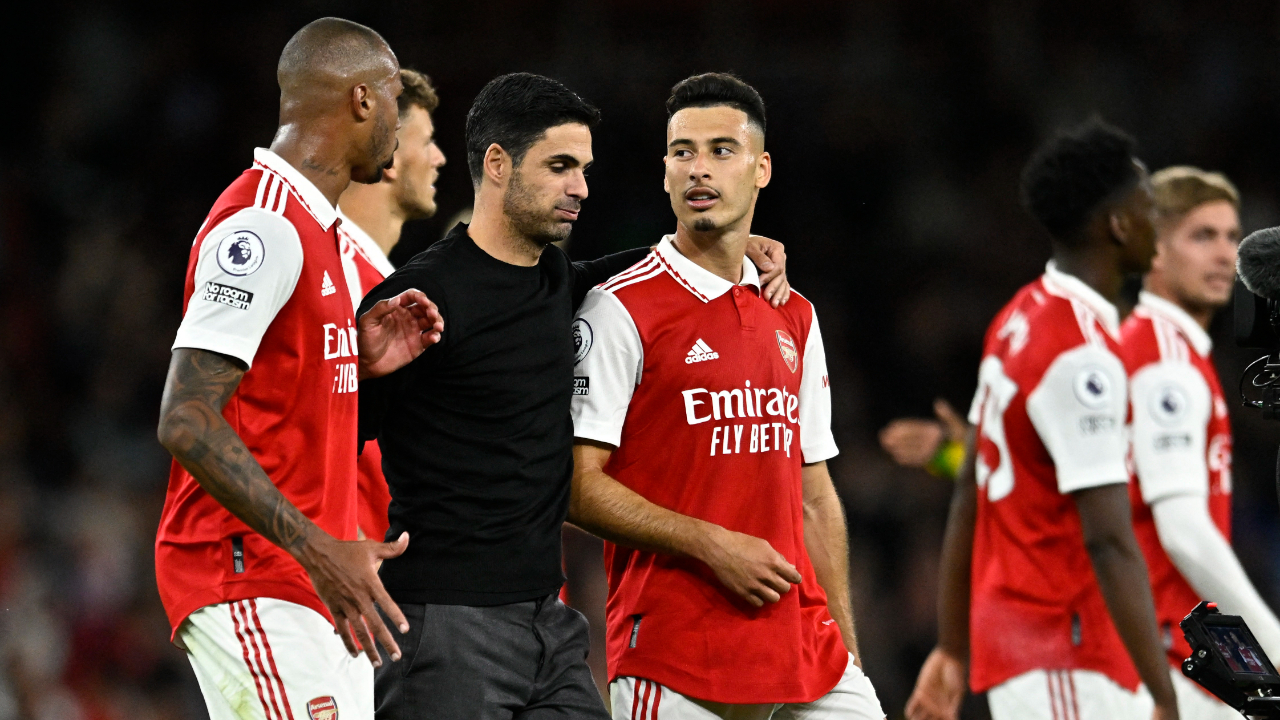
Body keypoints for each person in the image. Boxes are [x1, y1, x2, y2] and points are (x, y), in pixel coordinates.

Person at [357, 72, 790, 719]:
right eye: (561, 166)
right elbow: (331, 433)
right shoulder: (423, 300)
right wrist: (366, 375)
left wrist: (724, 245)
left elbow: (637, 271)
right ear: (498, 165)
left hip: (547, 627)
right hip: (445, 623)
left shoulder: (556, 279)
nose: (581, 188)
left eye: (583, 169)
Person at [154, 18, 445, 720]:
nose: (401, 137)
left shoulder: (321, 231)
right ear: (361, 101)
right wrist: (317, 548)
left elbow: (275, 401)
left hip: (316, 589)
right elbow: (186, 417)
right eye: (390, 106)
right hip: (250, 573)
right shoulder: (262, 225)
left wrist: (355, 362)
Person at [568, 72, 884, 720]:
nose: (698, 169)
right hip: (676, 652)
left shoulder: (794, 313)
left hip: (804, 645)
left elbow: (815, 495)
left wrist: (848, 651)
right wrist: (712, 543)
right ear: (663, 172)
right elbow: (575, 486)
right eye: (682, 152)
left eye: (721, 150)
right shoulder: (619, 310)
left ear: (761, 168)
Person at [906, 118, 1178, 720]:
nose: (1158, 222)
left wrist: (953, 651)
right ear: (1115, 224)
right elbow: (1107, 540)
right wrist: (1165, 694)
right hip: (1065, 650)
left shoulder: (1017, 317)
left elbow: (968, 494)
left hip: (1034, 651)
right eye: (1148, 206)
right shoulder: (1080, 356)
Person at [1124, 167, 1280, 719]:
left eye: (1231, 236)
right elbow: (1183, 530)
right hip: (1166, 650)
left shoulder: (1162, 349)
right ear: (1154, 249)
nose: (1223, 255)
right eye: (1201, 236)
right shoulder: (1163, 359)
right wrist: (1273, 641)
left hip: (1173, 640)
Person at [336, 67, 446, 542]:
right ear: (392, 155)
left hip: (376, 581)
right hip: (330, 574)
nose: (440, 158)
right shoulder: (327, 274)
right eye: (427, 141)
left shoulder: (386, 289)